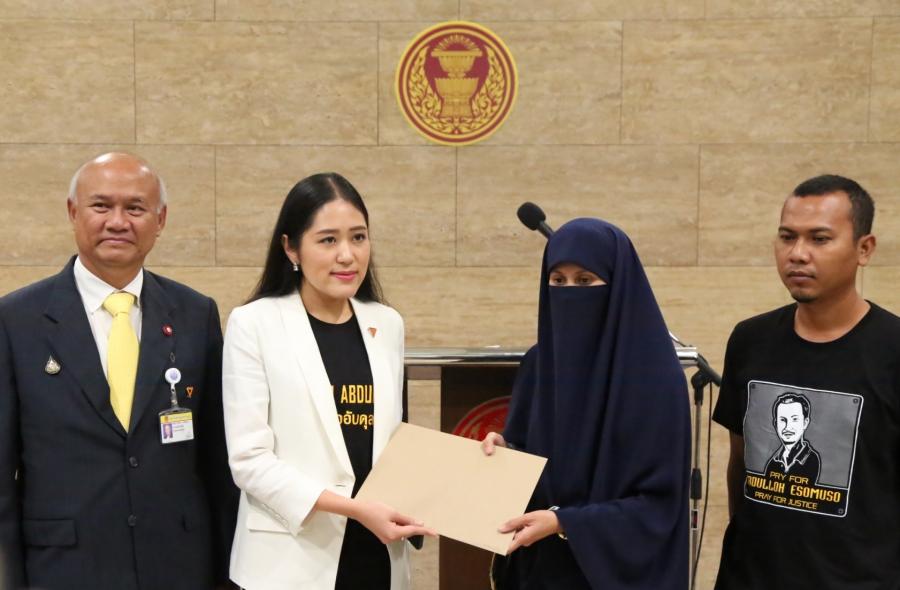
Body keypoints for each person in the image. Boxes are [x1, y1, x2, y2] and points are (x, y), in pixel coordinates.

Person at [0, 152, 239, 590]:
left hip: (179, 567)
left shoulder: (194, 314)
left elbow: (218, 463)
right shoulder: (16, 320)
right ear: (73, 212)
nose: (117, 222)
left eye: (135, 208)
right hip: (64, 568)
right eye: (101, 206)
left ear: (160, 219)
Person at [222, 173, 434, 590]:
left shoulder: (386, 323)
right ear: (290, 248)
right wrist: (353, 509)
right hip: (291, 559)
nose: (347, 255)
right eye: (328, 240)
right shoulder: (253, 323)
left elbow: (392, 441)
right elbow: (249, 461)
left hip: (378, 552)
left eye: (358, 237)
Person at [482, 218, 690, 590]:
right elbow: (530, 459)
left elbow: (659, 506)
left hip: (611, 575)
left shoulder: (655, 377)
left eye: (584, 281)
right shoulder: (539, 364)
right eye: (557, 280)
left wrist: (566, 523)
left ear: (617, 286)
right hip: (539, 569)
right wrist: (504, 452)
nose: (569, 292)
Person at [713, 174, 900, 588]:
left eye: (819, 239)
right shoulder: (750, 339)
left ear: (864, 249)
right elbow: (740, 463)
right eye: (787, 237)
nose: (797, 254)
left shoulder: (892, 350)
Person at [763, 392, 821, 484]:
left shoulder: (811, 459)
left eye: (794, 419)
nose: (787, 427)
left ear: (805, 423)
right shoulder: (773, 462)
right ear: (775, 424)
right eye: (782, 420)